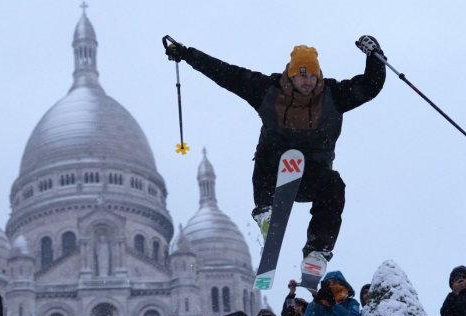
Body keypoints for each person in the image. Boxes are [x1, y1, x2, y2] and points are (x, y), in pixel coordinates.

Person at [164, 36, 386, 288]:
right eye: (302, 75)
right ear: (291, 75)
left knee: (334, 183)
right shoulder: (268, 90)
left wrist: (375, 56)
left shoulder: (333, 95)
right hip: (275, 173)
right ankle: (265, 212)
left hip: (312, 178)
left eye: (312, 76)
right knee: (269, 146)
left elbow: (369, 86)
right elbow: (227, 74)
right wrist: (187, 54)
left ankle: (317, 250)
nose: (308, 81)